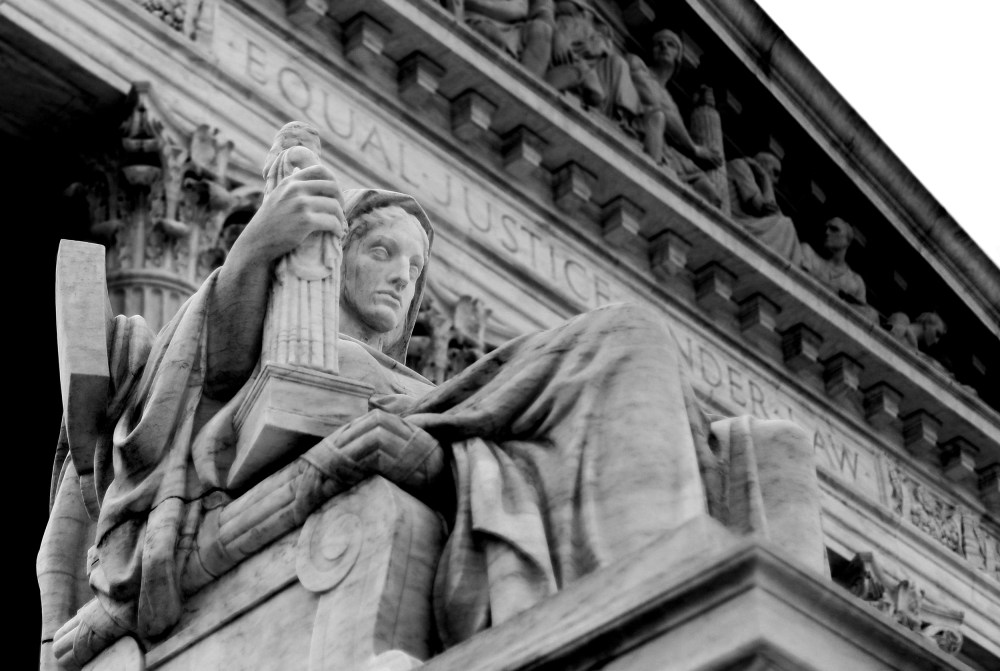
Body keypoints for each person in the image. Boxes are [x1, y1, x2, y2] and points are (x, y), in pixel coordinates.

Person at [41, 124, 828, 666]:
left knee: (768, 448)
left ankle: (783, 638)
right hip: (324, 457)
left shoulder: (427, 380)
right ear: (332, 253)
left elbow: (440, 422)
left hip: (446, 427)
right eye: (379, 250)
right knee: (627, 339)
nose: (397, 276)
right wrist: (259, 247)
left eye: (412, 269)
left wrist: (438, 452)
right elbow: (180, 409)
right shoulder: (265, 336)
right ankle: (665, 609)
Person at [628, 29, 723, 206]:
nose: (664, 46)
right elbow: (653, 100)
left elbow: (670, 115)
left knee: (711, 195)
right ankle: (651, 182)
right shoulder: (636, 64)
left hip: (667, 150)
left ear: (678, 56)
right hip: (639, 126)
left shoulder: (672, 102)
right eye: (658, 43)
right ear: (651, 51)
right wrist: (695, 149)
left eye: (670, 44)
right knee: (659, 117)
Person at [727, 150, 804, 264]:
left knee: (787, 225)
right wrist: (765, 178)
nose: (777, 181)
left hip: (747, 223)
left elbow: (774, 213)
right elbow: (763, 208)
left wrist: (764, 179)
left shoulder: (757, 182)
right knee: (786, 224)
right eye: (775, 173)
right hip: (736, 222)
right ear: (761, 166)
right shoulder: (740, 165)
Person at [801, 217, 878, 322]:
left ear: (847, 241)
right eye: (826, 228)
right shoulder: (808, 253)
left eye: (834, 229)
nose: (827, 232)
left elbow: (863, 316)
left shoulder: (855, 281)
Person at [461, 0, 555, 77]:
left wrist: (544, 18)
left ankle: (526, 88)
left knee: (542, 31)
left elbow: (544, 8)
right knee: (493, 37)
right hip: (476, 17)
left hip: (515, 29)